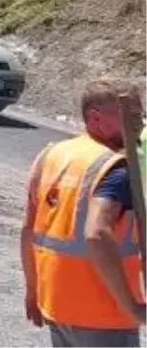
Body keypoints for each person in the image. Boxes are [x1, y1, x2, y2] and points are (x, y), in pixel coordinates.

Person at [22, 77, 146, 347]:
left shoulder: (51, 155)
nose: (139, 122)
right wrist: (133, 307)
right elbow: (96, 234)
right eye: (130, 114)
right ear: (95, 117)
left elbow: (29, 231)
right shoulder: (116, 168)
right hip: (104, 314)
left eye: (140, 113)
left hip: (58, 305)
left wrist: (33, 291)